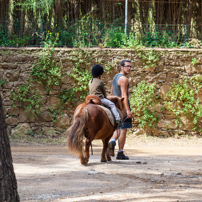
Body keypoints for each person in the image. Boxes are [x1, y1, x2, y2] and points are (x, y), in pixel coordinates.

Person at [108, 60, 133, 160]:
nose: (129, 68)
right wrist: (127, 110)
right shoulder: (124, 79)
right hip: (122, 107)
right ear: (121, 67)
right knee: (123, 130)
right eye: (127, 66)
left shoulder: (115, 77)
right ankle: (120, 152)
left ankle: (112, 142)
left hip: (116, 106)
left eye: (130, 67)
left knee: (118, 128)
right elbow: (124, 95)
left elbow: (111, 91)